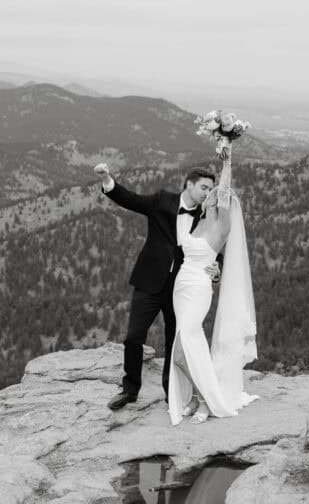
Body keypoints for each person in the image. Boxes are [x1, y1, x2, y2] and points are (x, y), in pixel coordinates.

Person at [94, 163, 222, 410]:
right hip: (149, 282)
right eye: (204, 187)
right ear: (189, 184)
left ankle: (170, 391)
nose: (208, 193)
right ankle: (130, 391)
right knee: (133, 337)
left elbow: (213, 249)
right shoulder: (162, 200)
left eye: (210, 189)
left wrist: (217, 268)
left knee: (174, 340)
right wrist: (108, 180)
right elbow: (131, 200)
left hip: (181, 288)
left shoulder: (206, 215)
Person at [168, 142, 258, 425]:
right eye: (207, 191)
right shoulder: (198, 220)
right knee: (182, 349)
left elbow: (225, 189)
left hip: (198, 289)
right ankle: (195, 397)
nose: (211, 196)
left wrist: (228, 162)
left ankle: (207, 399)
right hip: (180, 287)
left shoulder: (221, 225)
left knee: (185, 348)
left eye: (216, 194)